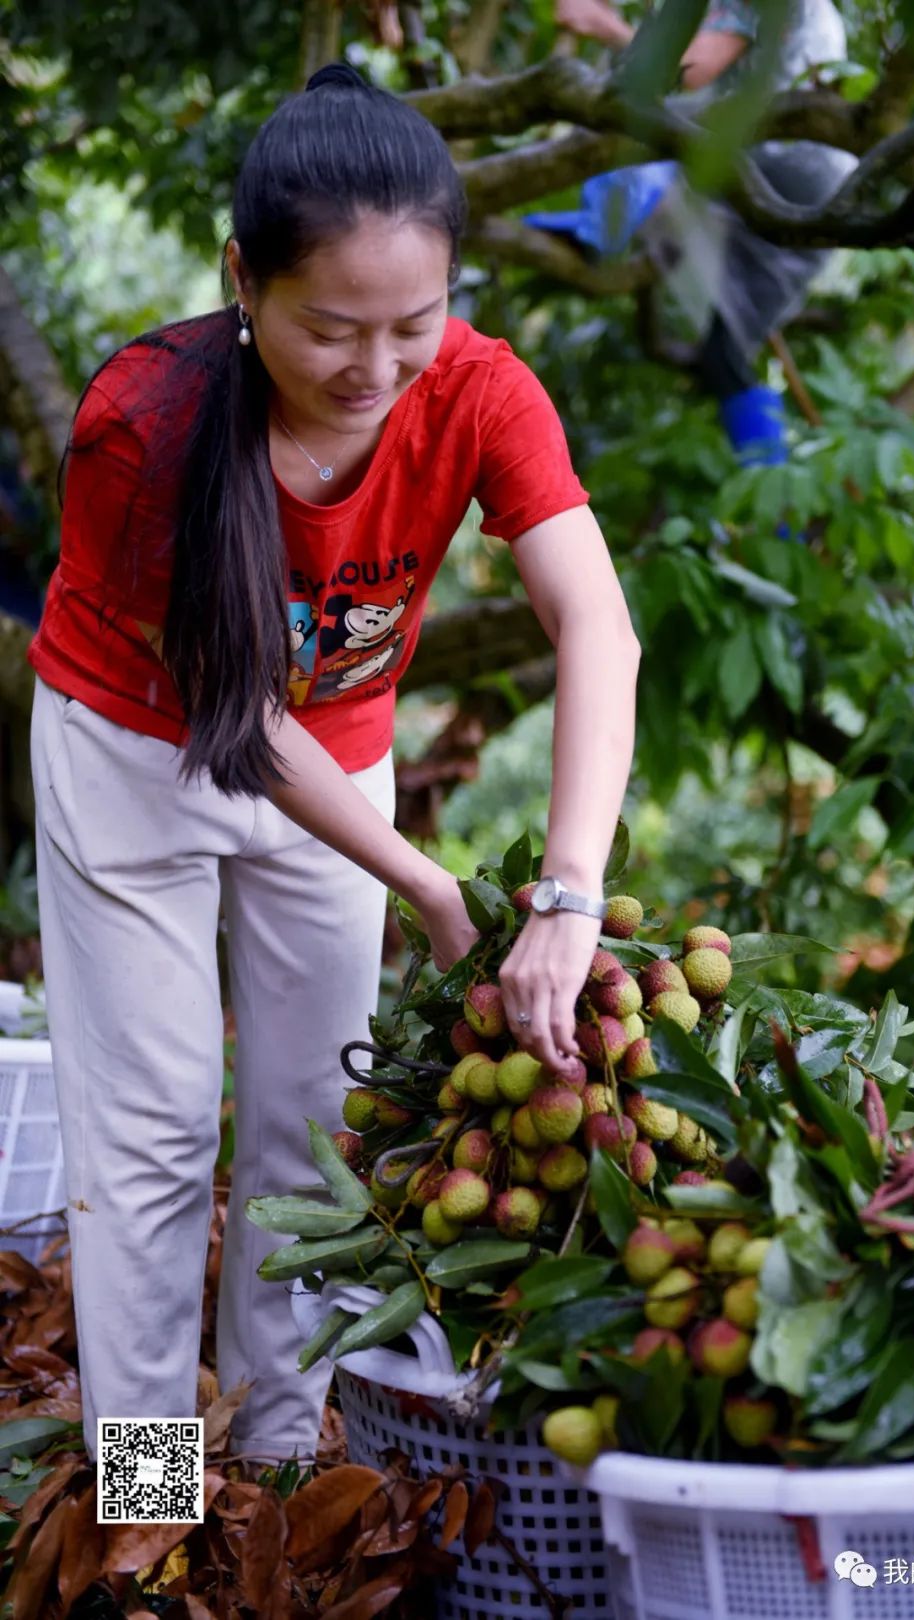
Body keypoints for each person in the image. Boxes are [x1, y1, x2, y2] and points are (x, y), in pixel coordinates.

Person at [26, 62, 640, 1474]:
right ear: (242, 279)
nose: (373, 370)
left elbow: (594, 622)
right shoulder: (143, 426)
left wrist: (570, 893)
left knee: (312, 1135)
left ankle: (280, 1469)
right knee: (158, 1136)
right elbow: (236, 716)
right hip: (138, 751)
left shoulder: (480, 394)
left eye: (411, 326)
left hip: (336, 768)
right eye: (328, 329)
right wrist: (432, 890)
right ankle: (150, 1492)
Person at [533, 0, 857, 467]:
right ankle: (778, 504)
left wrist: (600, 23)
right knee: (721, 353)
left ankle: (599, 228)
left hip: (774, 164)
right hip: (821, 187)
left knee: (642, 127)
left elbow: (691, 70)